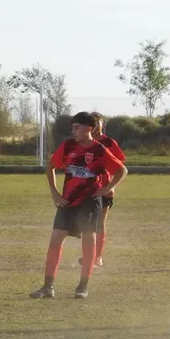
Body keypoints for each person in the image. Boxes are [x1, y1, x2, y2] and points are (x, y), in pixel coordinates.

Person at [30, 111, 128, 300]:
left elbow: (121, 170)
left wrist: (107, 188)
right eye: (72, 128)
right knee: (55, 241)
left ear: (89, 129)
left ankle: (82, 287)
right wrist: (55, 193)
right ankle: (47, 287)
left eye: (76, 128)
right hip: (67, 202)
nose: (73, 131)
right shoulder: (67, 146)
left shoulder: (100, 150)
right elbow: (50, 166)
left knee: (88, 242)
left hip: (89, 203)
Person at [87, 111, 125, 268]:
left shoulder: (109, 142)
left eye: (98, 122)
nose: (95, 126)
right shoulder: (84, 142)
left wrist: (110, 184)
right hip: (88, 188)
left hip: (105, 188)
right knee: (88, 223)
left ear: (103, 124)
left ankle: (98, 257)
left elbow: (119, 165)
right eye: (92, 123)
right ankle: (89, 255)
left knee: (100, 221)